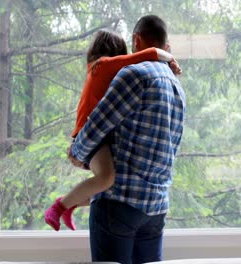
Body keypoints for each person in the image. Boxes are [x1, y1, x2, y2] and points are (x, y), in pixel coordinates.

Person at [68, 15, 186, 263]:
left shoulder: (133, 75)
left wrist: (77, 154)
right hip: (156, 208)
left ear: (136, 39)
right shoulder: (178, 89)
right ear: (166, 46)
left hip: (119, 203)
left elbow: (97, 125)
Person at [44, 29, 182, 232]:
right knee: (107, 178)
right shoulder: (102, 66)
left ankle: (68, 203)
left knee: (109, 183)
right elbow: (148, 54)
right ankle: (59, 207)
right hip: (87, 133)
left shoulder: (100, 71)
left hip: (100, 137)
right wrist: (169, 58)